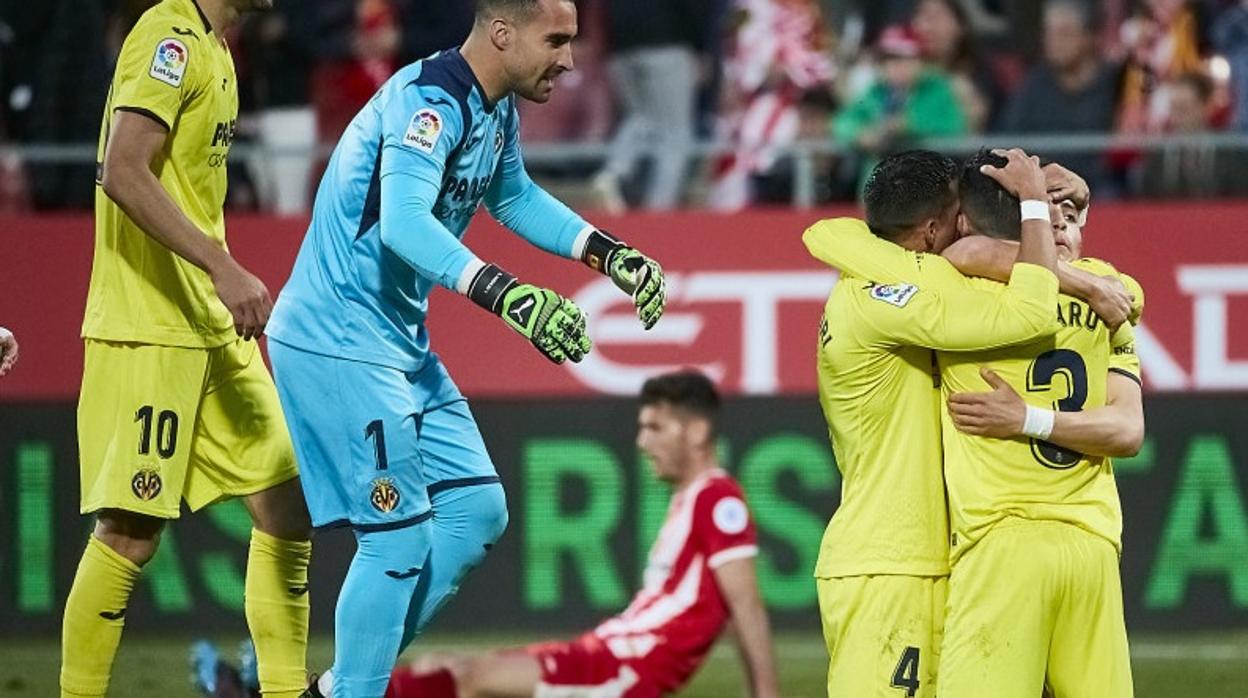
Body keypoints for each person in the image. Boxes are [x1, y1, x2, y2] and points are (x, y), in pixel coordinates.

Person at [262, 0, 667, 695]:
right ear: (502, 33)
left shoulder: (493, 107)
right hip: (337, 338)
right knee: (395, 540)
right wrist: (509, 295)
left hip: (396, 342)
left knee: (476, 512)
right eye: (557, 40)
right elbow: (404, 224)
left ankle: (339, 687)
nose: (569, 59)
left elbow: (513, 199)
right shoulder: (431, 103)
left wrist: (606, 252)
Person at [819, 152, 1143, 696]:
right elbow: (1022, 296)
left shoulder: (947, 283)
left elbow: (831, 234)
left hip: (967, 553)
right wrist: (1061, 245)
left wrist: (1046, 208)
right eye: (955, 215)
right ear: (929, 231)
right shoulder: (1110, 289)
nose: (962, 226)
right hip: (897, 561)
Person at [64, 0, 314, 697]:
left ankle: (285, 690)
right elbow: (123, 168)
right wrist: (221, 264)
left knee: (289, 506)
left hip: (209, 325)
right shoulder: (167, 34)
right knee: (130, 530)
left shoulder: (219, 49)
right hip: (150, 325)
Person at [382, 370, 778, 698]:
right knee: (444, 666)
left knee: (468, 679)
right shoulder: (689, 500)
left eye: (655, 427)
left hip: (624, 667)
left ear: (696, 432)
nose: (642, 442)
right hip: (609, 650)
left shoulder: (718, 498)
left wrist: (765, 692)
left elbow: (745, 605)